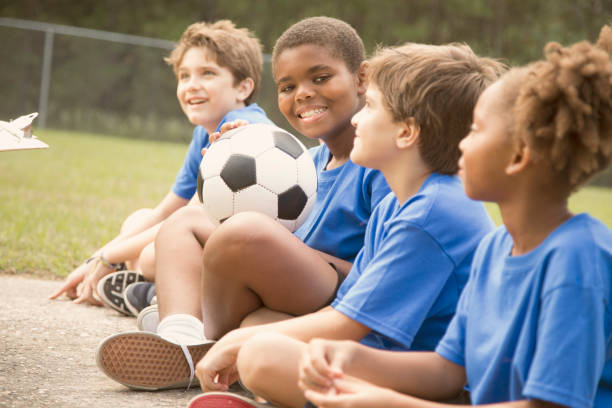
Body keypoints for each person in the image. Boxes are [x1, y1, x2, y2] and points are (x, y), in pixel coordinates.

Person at [296, 25, 612, 408]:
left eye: (476, 130)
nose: (460, 142)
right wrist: (348, 357)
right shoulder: (496, 246)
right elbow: (448, 370)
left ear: (518, 156)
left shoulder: (577, 258)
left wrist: (388, 403)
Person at [185, 41, 506, 408]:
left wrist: (238, 344)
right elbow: (345, 309)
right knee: (260, 329)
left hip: (441, 383)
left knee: (262, 355)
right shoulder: (395, 205)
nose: (356, 119)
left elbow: (344, 325)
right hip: (395, 358)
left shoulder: (433, 211)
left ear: (406, 132)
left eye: (369, 107)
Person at [95, 16, 391, 390]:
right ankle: (182, 335)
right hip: (284, 294)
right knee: (187, 222)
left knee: (246, 234)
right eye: (287, 86)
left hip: (335, 301)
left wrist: (288, 249)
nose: (301, 93)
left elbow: (380, 277)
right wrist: (243, 159)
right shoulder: (307, 163)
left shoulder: (381, 166)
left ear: (361, 78)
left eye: (320, 78)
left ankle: (205, 342)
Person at [49, 20, 273, 314]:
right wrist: (92, 261)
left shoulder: (243, 132)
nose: (192, 85)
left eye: (207, 73)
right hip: (213, 243)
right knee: (138, 220)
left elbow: (188, 219)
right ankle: (150, 292)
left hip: (253, 258)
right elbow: (164, 213)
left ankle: (170, 297)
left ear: (243, 87)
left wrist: (108, 258)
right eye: (184, 75)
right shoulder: (204, 134)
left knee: (153, 255)